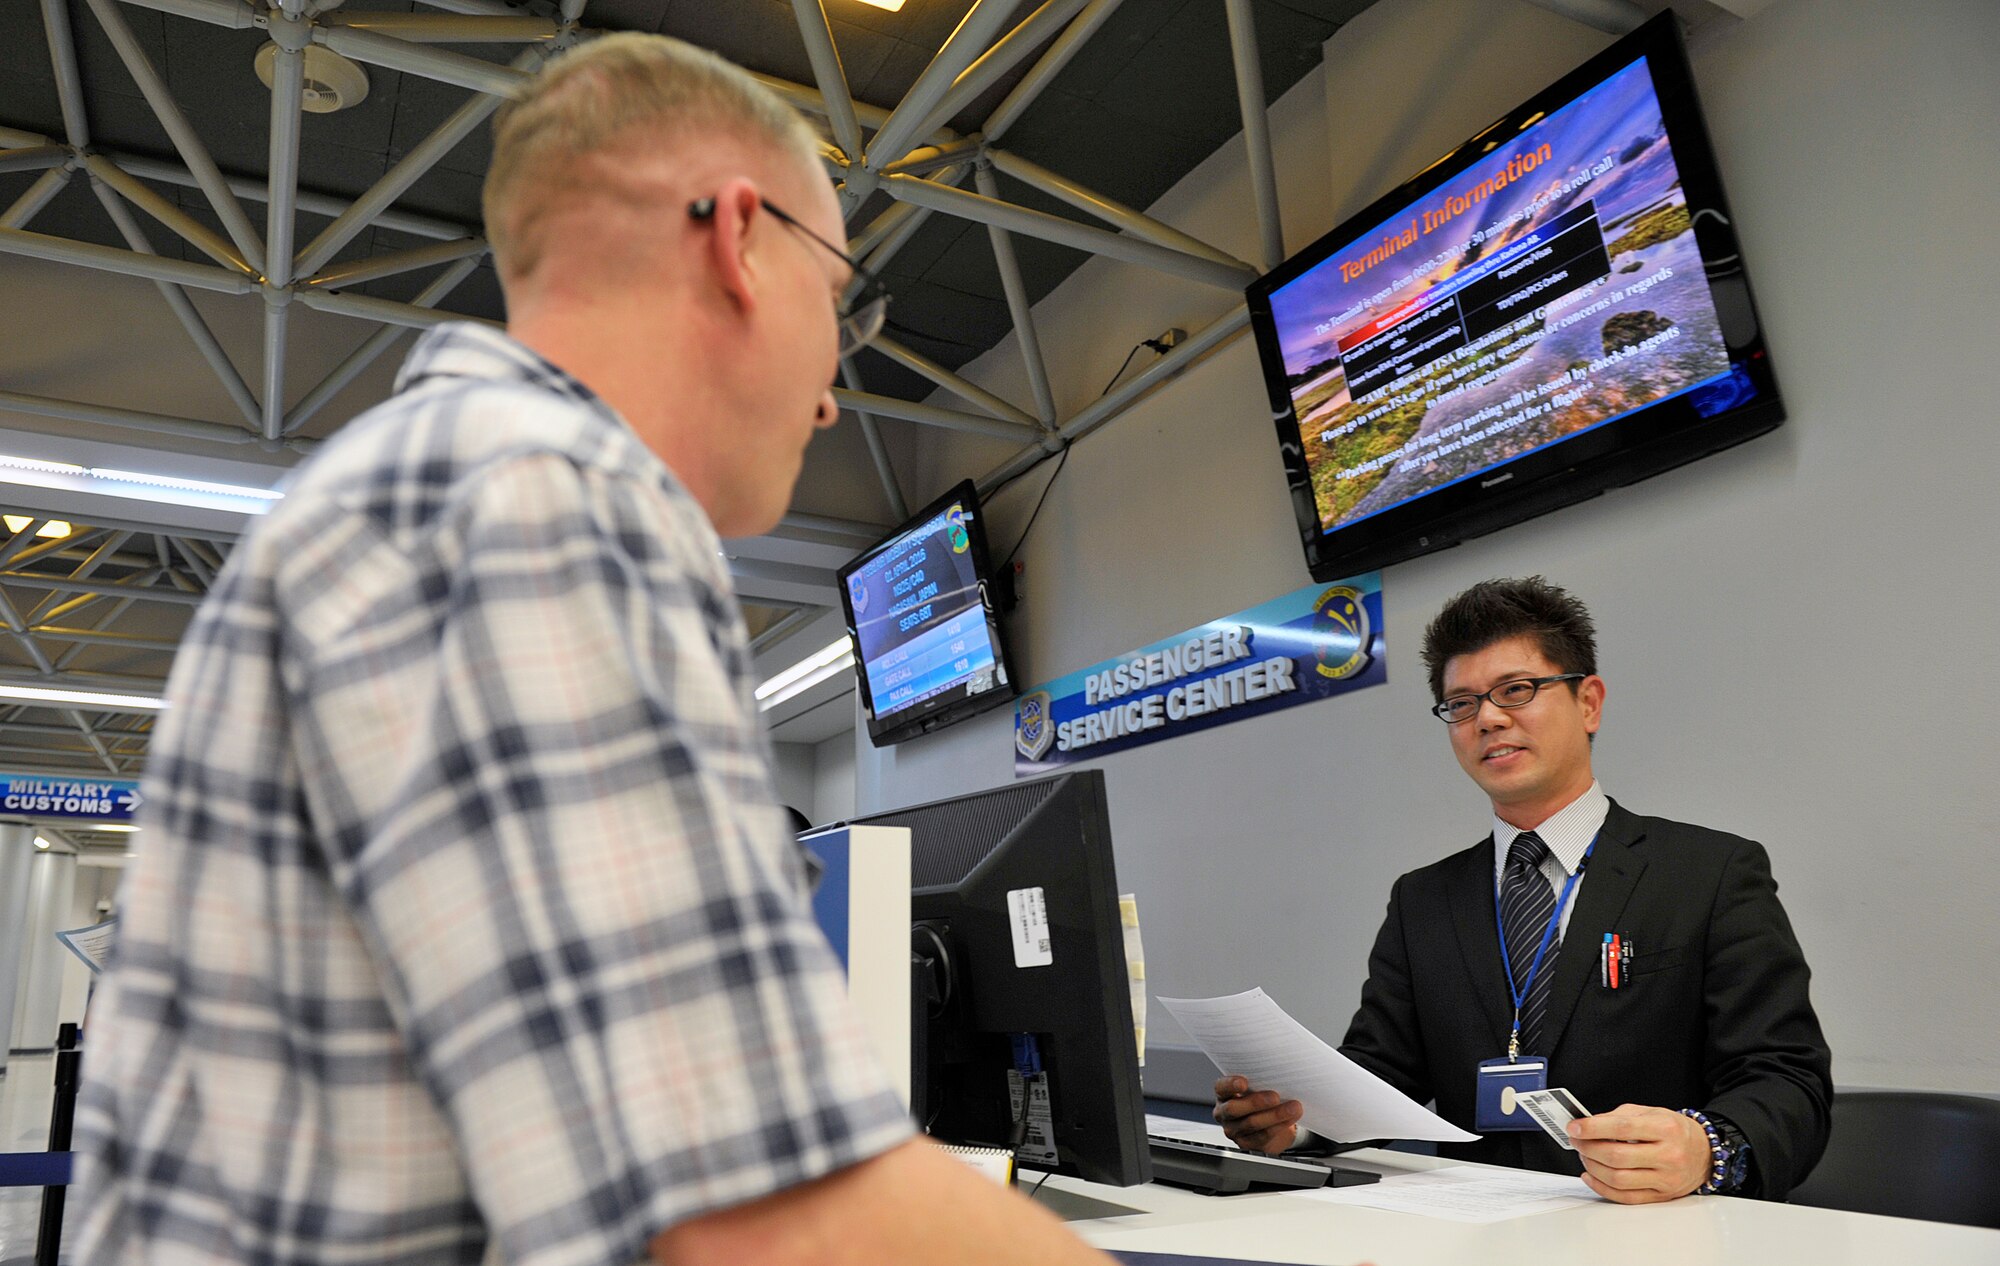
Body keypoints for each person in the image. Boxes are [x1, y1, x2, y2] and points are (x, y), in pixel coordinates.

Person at [72, 34, 1109, 1266]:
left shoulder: (432, 489)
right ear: (737, 239)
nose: (836, 391)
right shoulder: (537, 503)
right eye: (841, 304)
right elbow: (754, 1215)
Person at [1214, 577, 1832, 1203]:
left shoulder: (1710, 872)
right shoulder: (1423, 900)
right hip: (1473, 1230)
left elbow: (1785, 1078)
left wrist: (1706, 1147)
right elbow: (1379, 1079)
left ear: (1588, 702)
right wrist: (1291, 1123)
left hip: (1651, 1229)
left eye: (1517, 690)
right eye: (1461, 704)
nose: (1487, 717)